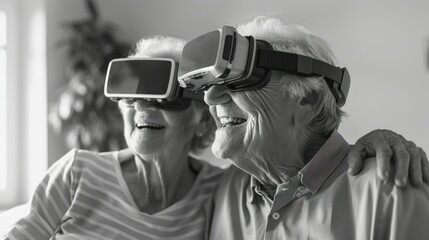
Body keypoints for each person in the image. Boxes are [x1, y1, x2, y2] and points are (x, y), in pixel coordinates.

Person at [2, 35, 426, 240]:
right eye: (133, 96)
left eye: (168, 97)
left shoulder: (215, 190)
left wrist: (378, 141)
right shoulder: (79, 170)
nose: (144, 108)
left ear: (203, 124)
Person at [199, 16, 429, 239]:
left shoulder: (391, 193)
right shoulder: (215, 192)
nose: (211, 97)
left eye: (238, 80)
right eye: (211, 84)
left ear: (309, 100)